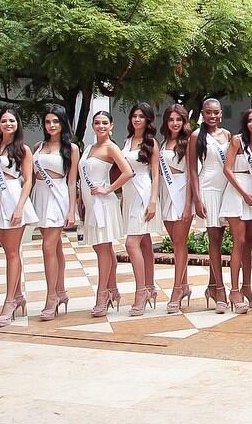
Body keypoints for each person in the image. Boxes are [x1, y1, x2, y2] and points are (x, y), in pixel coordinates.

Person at [0, 108, 39, 327]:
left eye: (12, 120)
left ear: (17, 124)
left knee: (13, 253)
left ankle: (9, 301)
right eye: (4, 120)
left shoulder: (22, 149)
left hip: (13, 197)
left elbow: (28, 180)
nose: (8, 124)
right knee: (8, 251)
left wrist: (19, 207)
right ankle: (19, 294)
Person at [81, 111, 132, 318]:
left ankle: (102, 295)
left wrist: (109, 189)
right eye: (97, 123)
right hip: (91, 204)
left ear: (111, 125)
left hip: (104, 204)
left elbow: (127, 172)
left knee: (103, 248)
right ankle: (112, 288)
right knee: (101, 247)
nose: (101, 126)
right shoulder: (88, 148)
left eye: (105, 123)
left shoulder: (111, 147)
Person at [32, 106, 79, 322]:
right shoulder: (38, 146)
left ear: (63, 123)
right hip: (40, 195)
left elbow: (72, 182)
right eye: (48, 121)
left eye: (55, 122)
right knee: (55, 247)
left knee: (48, 247)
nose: (51, 125)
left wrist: (71, 209)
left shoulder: (71, 148)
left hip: (58, 196)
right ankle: (60, 291)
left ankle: (51, 297)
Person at [221, 108, 252, 314]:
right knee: (238, 242)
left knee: (249, 243)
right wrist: (243, 194)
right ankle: (234, 290)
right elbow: (227, 169)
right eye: (250, 120)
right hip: (236, 193)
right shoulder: (237, 141)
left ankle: (247, 288)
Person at [193, 98, 232, 313]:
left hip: (226, 189)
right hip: (207, 189)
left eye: (216, 112)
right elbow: (192, 169)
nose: (213, 116)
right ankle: (220, 290)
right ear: (202, 113)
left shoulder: (227, 135)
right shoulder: (196, 136)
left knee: (222, 237)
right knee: (214, 239)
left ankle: (211, 286)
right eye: (208, 112)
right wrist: (197, 199)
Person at [124, 103, 163, 317]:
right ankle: (150, 286)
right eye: (134, 115)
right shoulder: (127, 141)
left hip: (143, 192)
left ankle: (140, 293)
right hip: (129, 194)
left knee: (132, 244)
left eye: (141, 116)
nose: (137, 119)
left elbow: (156, 174)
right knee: (145, 242)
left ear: (148, 120)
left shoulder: (151, 143)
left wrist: (153, 201)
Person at [158, 104, 194, 314]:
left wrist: (188, 204)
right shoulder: (163, 143)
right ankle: (186, 284)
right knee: (175, 243)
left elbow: (191, 174)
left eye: (178, 119)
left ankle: (176, 290)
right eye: (171, 119)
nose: (174, 123)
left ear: (184, 121)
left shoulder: (187, 143)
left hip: (181, 193)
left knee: (180, 243)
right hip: (166, 194)